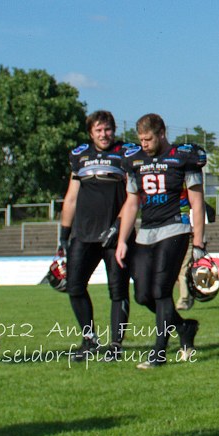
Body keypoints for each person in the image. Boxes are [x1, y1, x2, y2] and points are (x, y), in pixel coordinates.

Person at [115, 114, 206, 368]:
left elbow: (197, 203)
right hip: (146, 232)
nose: (144, 144)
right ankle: (184, 327)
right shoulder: (134, 161)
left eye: (149, 139)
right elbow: (131, 202)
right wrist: (123, 240)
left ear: (162, 133)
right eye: (141, 139)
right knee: (143, 295)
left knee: (161, 291)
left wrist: (199, 242)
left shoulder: (183, 157)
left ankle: (159, 353)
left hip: (175, 228)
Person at [59, 110, 134, 360]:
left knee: (118, 291)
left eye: (108, 129)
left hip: (114, 234)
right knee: (74, 286)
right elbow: (70, 198)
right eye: (99, 130)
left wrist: (120, 226)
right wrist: (63, 234)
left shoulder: (126, 153)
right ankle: (89, 339)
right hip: (83, 234)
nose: (104, 134)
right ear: (90, 132)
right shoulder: (79, 156)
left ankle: (115, 345)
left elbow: (134, 195)